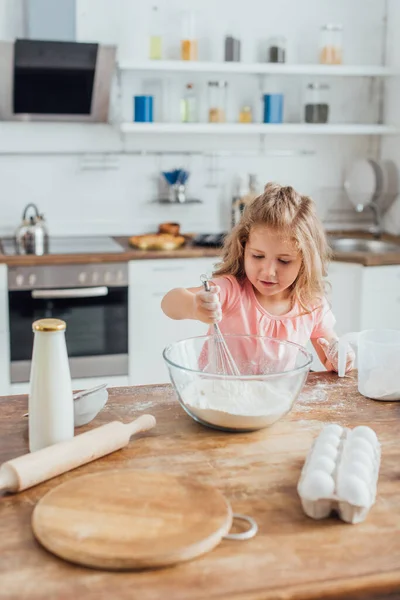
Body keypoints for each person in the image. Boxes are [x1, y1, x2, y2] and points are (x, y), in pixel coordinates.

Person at [161, 182, 354, 373]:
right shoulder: (230, 291)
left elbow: (330, 360)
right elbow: (169, 303)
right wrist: (194, 306)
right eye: (258, 256)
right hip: (219, 396)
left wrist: (340, 358)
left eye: (284, 261)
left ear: (305, 261)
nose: (269, 271)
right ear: (243, 247)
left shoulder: (311, 305)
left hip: (275, 398)